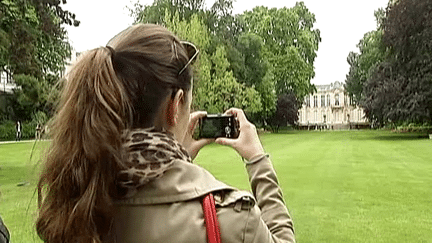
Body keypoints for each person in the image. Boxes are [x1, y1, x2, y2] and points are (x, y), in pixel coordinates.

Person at [36, 24, 295, 243]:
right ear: (175, 106)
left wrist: (177, 161)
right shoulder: (229, 218)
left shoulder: (73, 203)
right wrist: (258, 161)